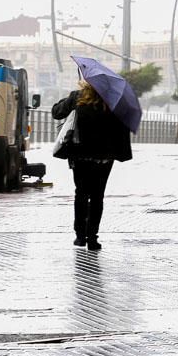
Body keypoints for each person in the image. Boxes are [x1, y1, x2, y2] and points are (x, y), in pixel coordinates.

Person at [51, 80, 132, 251]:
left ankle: (80, 237)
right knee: (97, 196)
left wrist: (67, 100)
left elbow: (56, 113)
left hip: (80, 156)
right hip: (103, 158)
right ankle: (92, 239)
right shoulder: (114, 101)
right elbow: (124, 126)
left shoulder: (77, 97)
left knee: (81, 193)